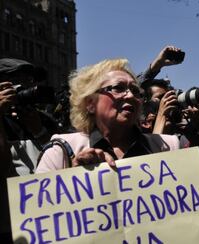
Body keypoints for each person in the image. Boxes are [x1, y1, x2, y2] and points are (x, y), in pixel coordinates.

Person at [37, 58, 179, 173]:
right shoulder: (60, 151)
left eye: (135, 91)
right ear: (90, 103)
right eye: (118, 88)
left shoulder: (169, 146)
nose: (130, 95)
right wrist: (73, 179)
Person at [0, 58, 58, 242]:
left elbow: (63, 161)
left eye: (29, 81)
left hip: (45, 222)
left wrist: (39, 131)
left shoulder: (42, 119)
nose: (24, 88)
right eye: (16, 81)